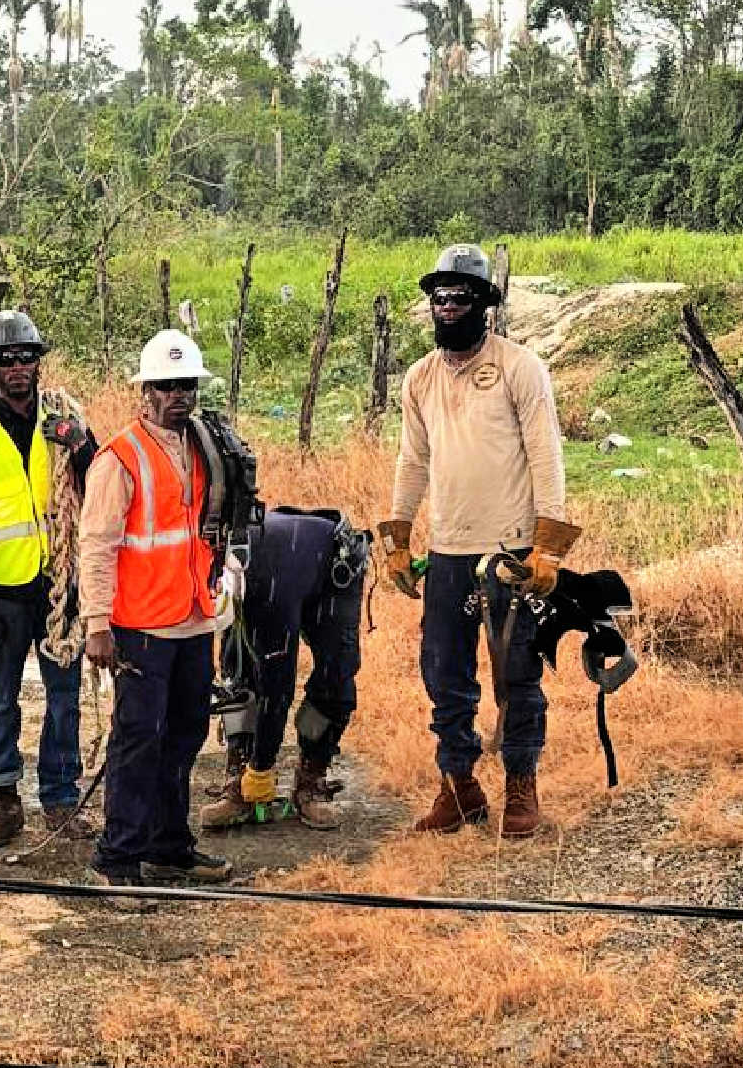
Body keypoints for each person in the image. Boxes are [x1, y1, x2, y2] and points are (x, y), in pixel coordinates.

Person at [379, 244, 581, 840]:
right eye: (438, 297)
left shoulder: (520, 367)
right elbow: (412, 459)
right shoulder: (419, 378)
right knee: (442, 672)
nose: (447, 307)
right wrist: (397, 535)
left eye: (459, 297)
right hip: (447, 549)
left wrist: (548, 547)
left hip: (512, 550)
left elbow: (547, 456)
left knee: (516, 673)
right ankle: (459, 786)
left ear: (484, 305)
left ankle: (520, 783)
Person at [79, 330, 233, 888]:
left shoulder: (204, 448)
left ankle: (170, 845)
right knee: (137, 741)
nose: (178, 396)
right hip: (140, 626)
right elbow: (96, 544)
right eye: (167, 386)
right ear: (145, 391)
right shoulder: (120, 457)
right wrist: (97, 623)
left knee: (186, 735)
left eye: (186, 385)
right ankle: (117, 858)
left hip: (193, 618)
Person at [0, 310, 99, 847]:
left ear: (39, 362)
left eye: (26, 358)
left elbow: (100, 488)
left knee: (65, 699)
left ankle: (60, 799)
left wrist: (79, 445)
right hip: (1, 595)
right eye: (6, 360)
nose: (18, 368)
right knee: (0, 697)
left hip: (60, 585)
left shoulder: (63, 427)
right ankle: (4, 802)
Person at [200, 507, 369, 831]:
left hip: (334, 562)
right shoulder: (220, 572)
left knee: (335, 676)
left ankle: (310, 775)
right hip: (278, 557)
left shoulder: (267, 590)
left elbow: (278, 687)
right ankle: (238, 780)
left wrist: (262, 768)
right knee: (239, 674)